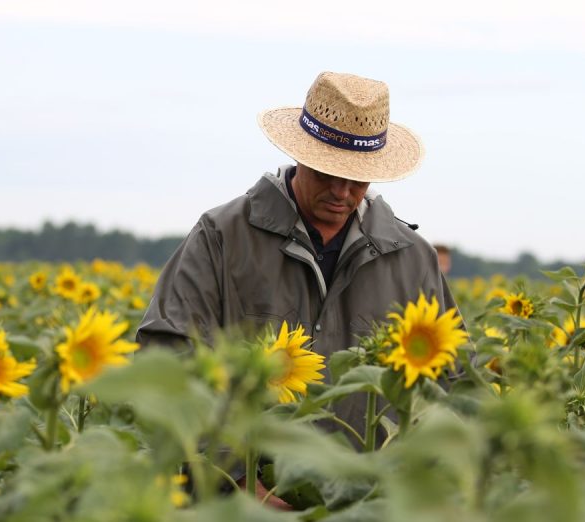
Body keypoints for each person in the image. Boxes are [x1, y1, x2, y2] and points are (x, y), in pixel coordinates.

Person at [136, 72, 460, 504]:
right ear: (301, 156)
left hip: (365, 505)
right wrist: (234, 480)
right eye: (328, 173)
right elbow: (169, 360)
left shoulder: (410, 257)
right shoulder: (224, 236)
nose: (343, 192)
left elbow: (451, 381)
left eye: (358, 178)